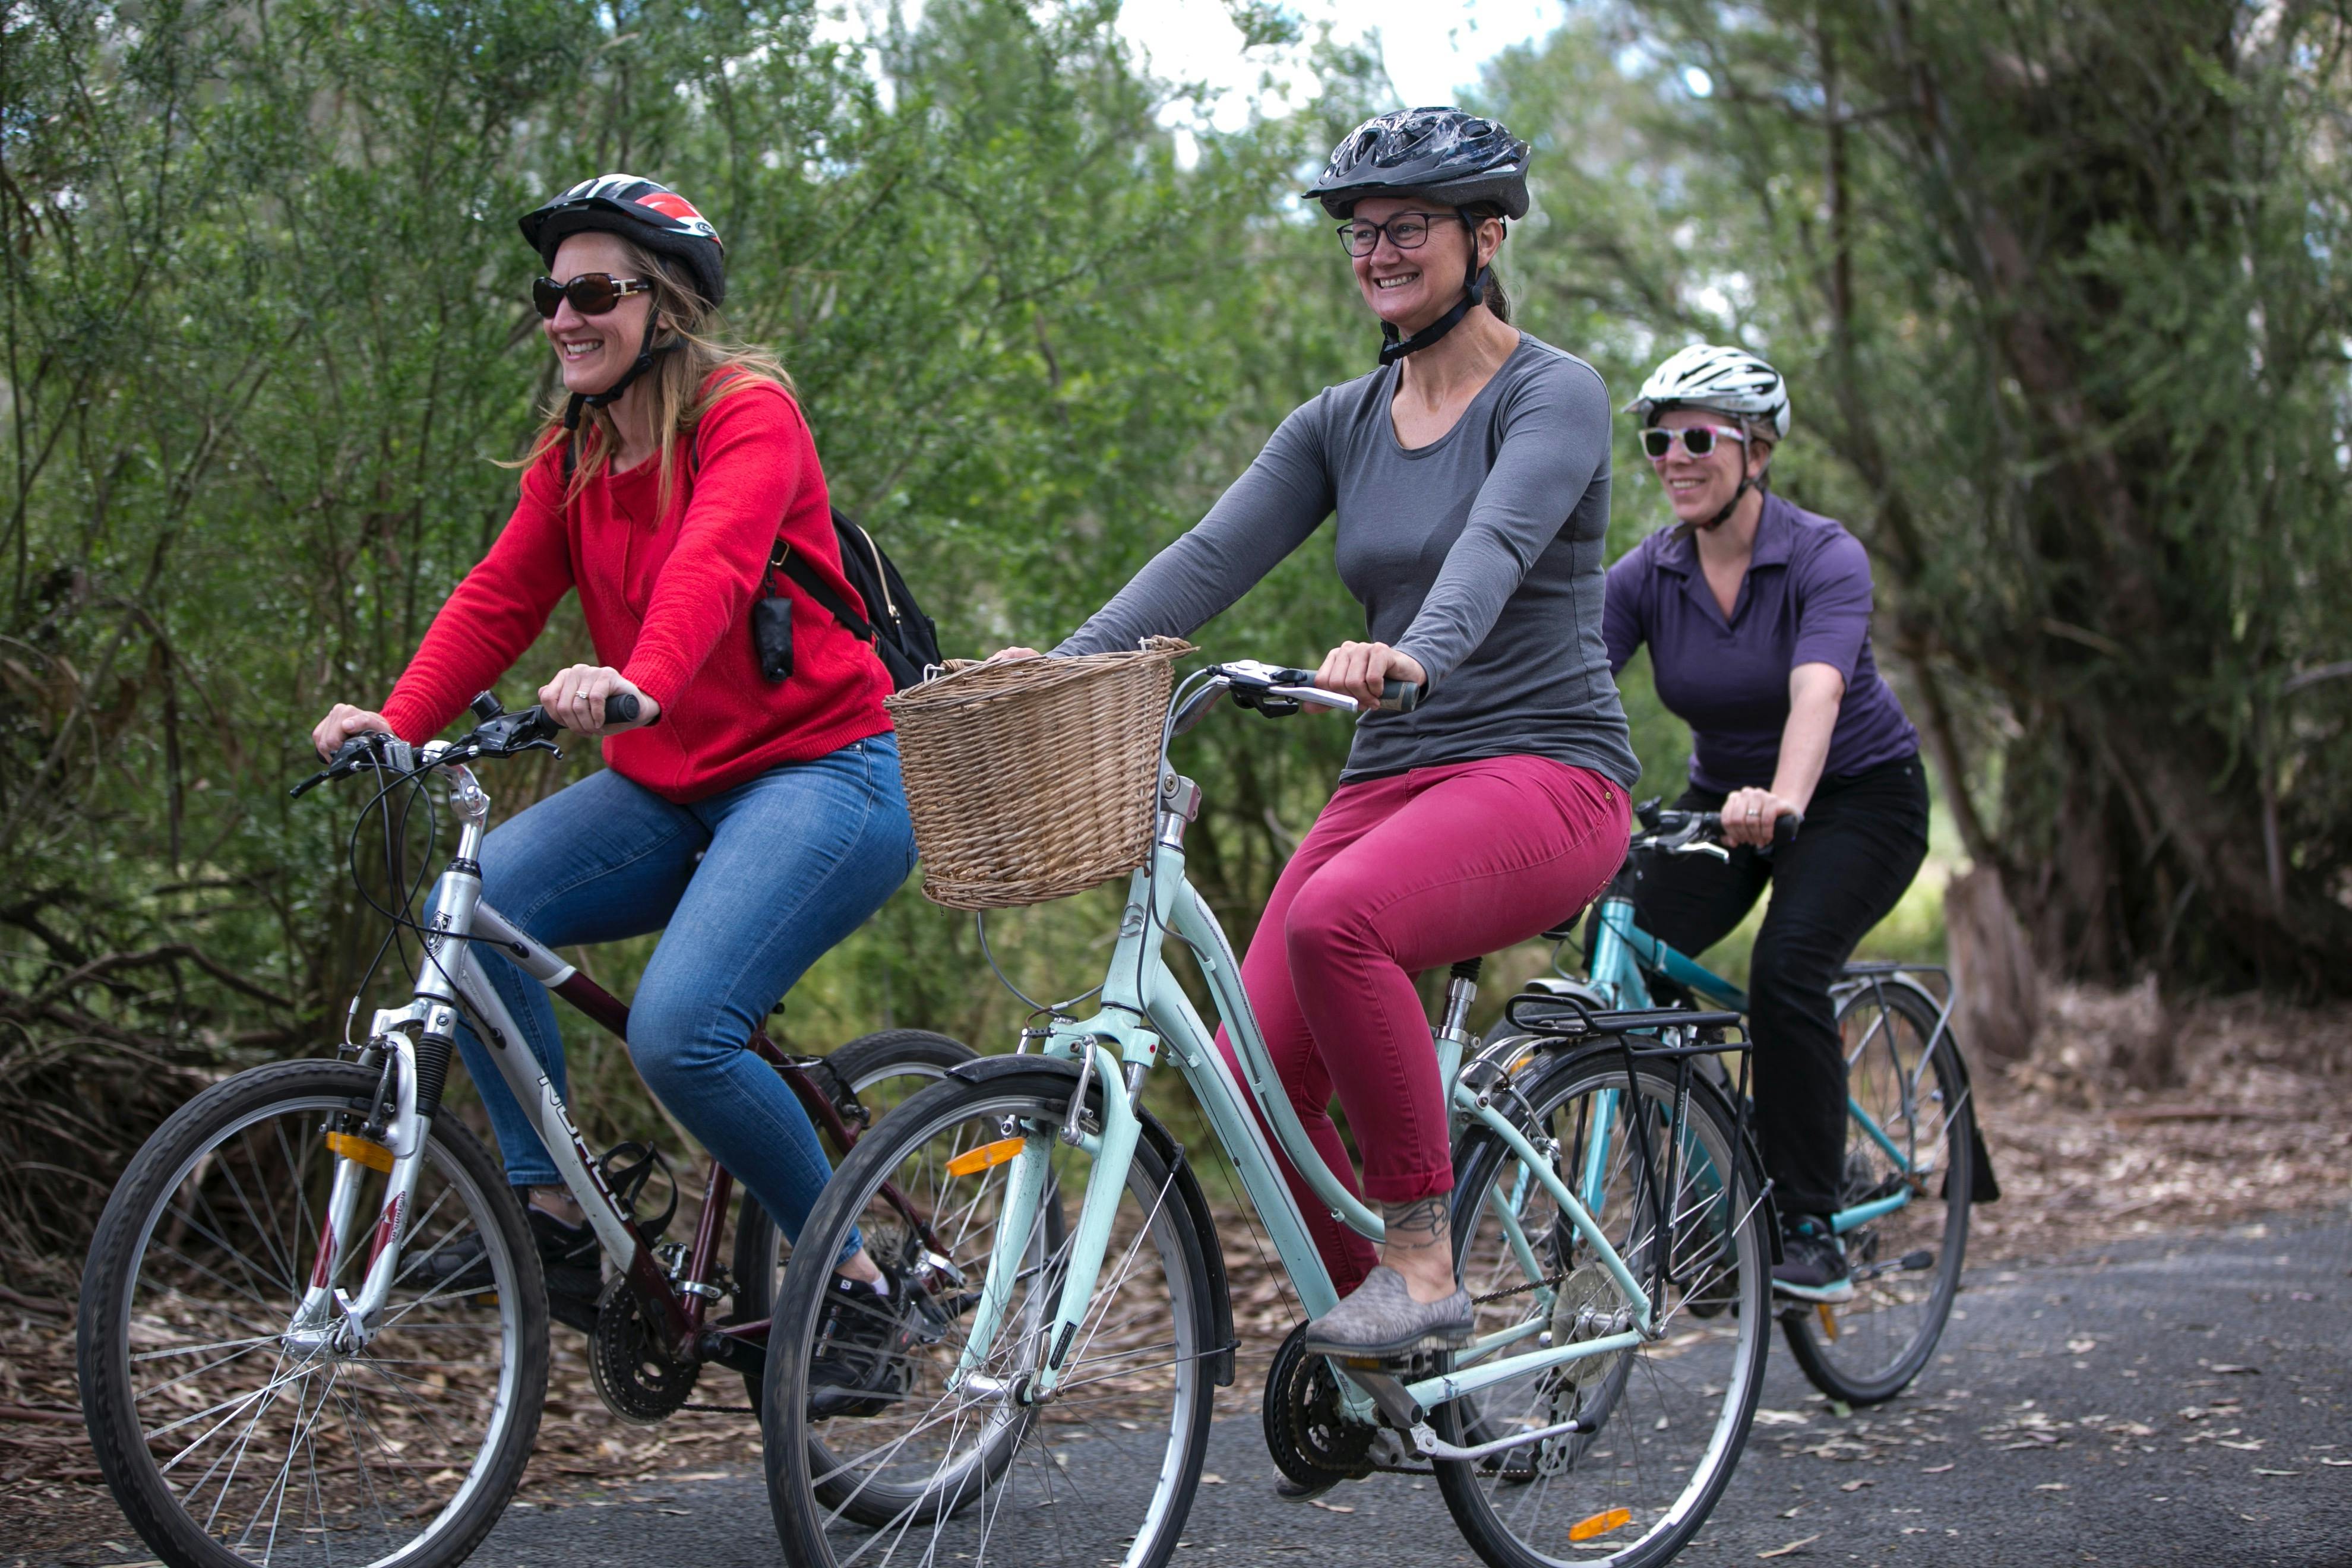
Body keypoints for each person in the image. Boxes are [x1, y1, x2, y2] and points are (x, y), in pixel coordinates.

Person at [1001, 108, 1639, 1360]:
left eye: (1407, 226)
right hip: (1393, 774)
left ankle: (1421, 1251)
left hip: (1547, 770)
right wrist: (1064, 667)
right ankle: (1399, 1342)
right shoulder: (1337, 422)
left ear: (1486, 235)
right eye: (1360, 230)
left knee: (1336, 918)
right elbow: (1204, 561)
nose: (1378, 250)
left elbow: (1496, 546)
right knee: (1255, 1094)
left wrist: (1415, 653)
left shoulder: (1554, 393)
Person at [309, 176, 918, 1357]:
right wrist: (397, 720)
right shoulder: (577, 449)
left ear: (669, 307)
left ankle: (851, 1284)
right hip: (672, 787)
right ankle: (551, 1214)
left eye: (593, 291)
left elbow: (717, 563)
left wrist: (636, 675)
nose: (562, 317)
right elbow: (498, 599)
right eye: (552, 294)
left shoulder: (748, 415)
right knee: (469, 912)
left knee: (682, 1031)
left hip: (829, 773)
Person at [1602, 343, 1929, 1303]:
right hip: (1727, 800)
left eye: (1698, 437)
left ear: (1757, 449)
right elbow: (1574, 682)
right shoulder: (1648, 573)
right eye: (1659, 439)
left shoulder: (1823, 554)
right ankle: (1720, 1176)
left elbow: (1818, 691)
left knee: (1788, 967)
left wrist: (1784, 798)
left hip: (1858, 795)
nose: (1674, 457)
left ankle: (1813, 1224)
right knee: (1627, 955)